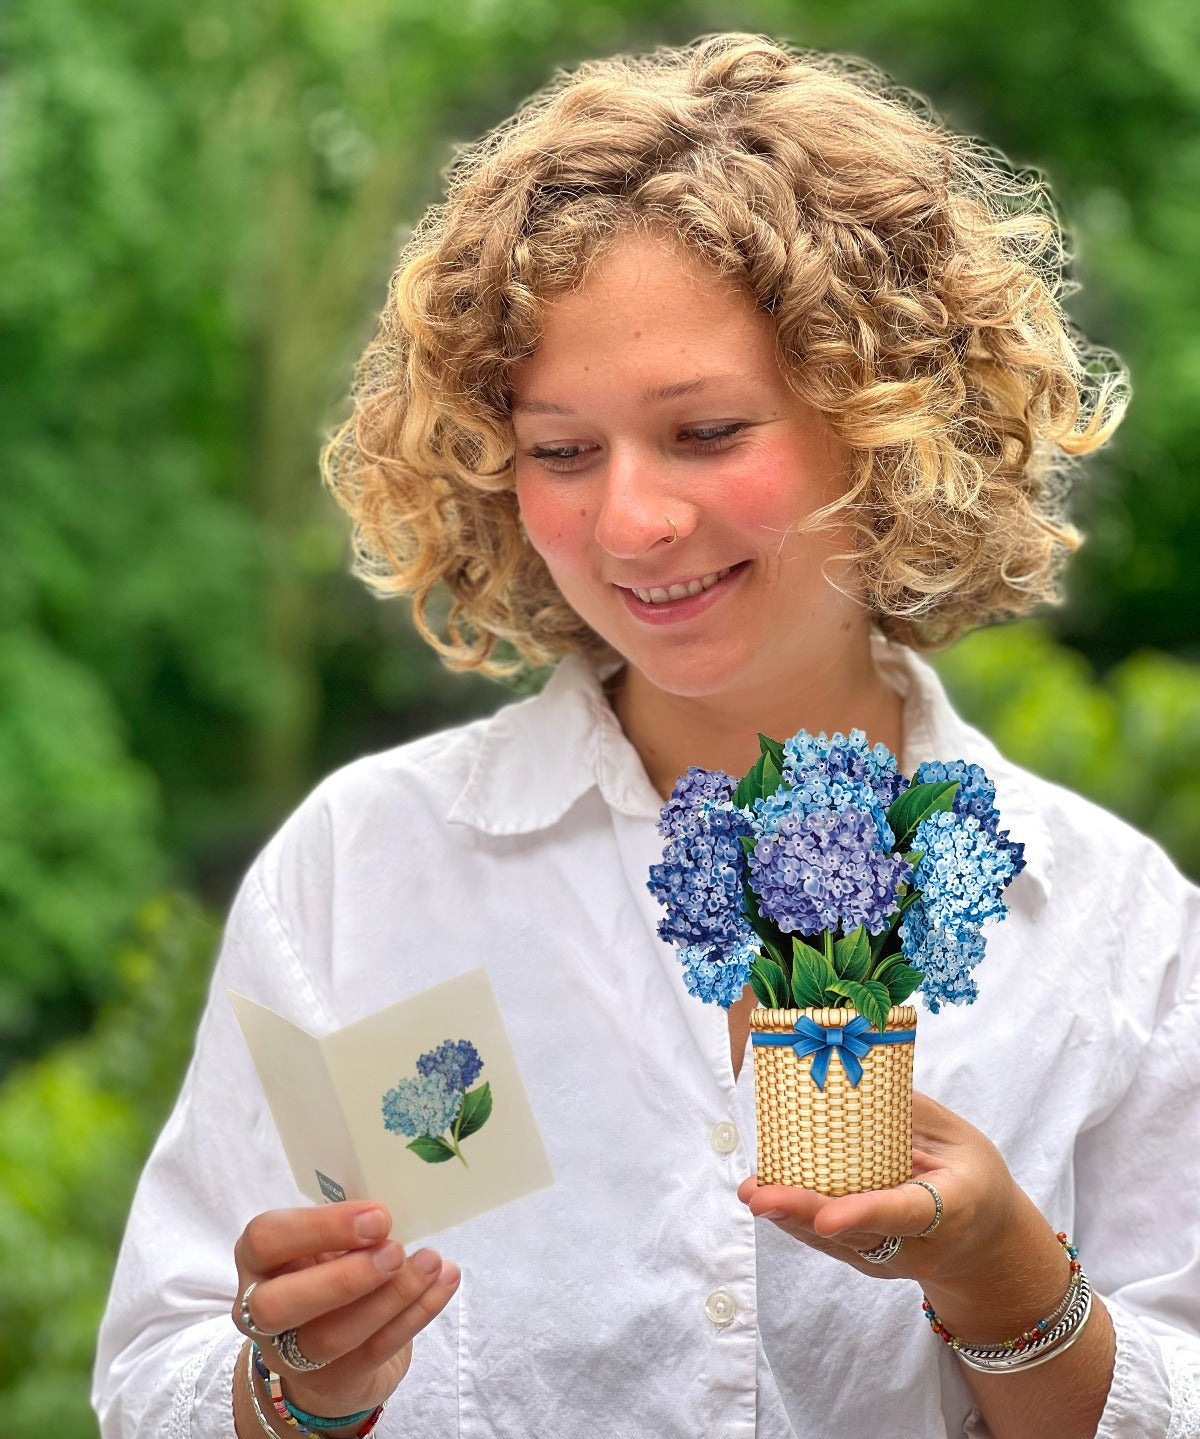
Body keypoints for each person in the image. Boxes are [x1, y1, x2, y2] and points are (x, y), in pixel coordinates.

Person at [93, 32, 1200, 1439]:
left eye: (705, 431)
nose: (630, 522)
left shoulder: (1118, 932)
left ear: (889, 421)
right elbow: (158, 1381)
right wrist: (291, 1389)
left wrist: (1011, 1289)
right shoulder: (367, 867)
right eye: (562, 451)